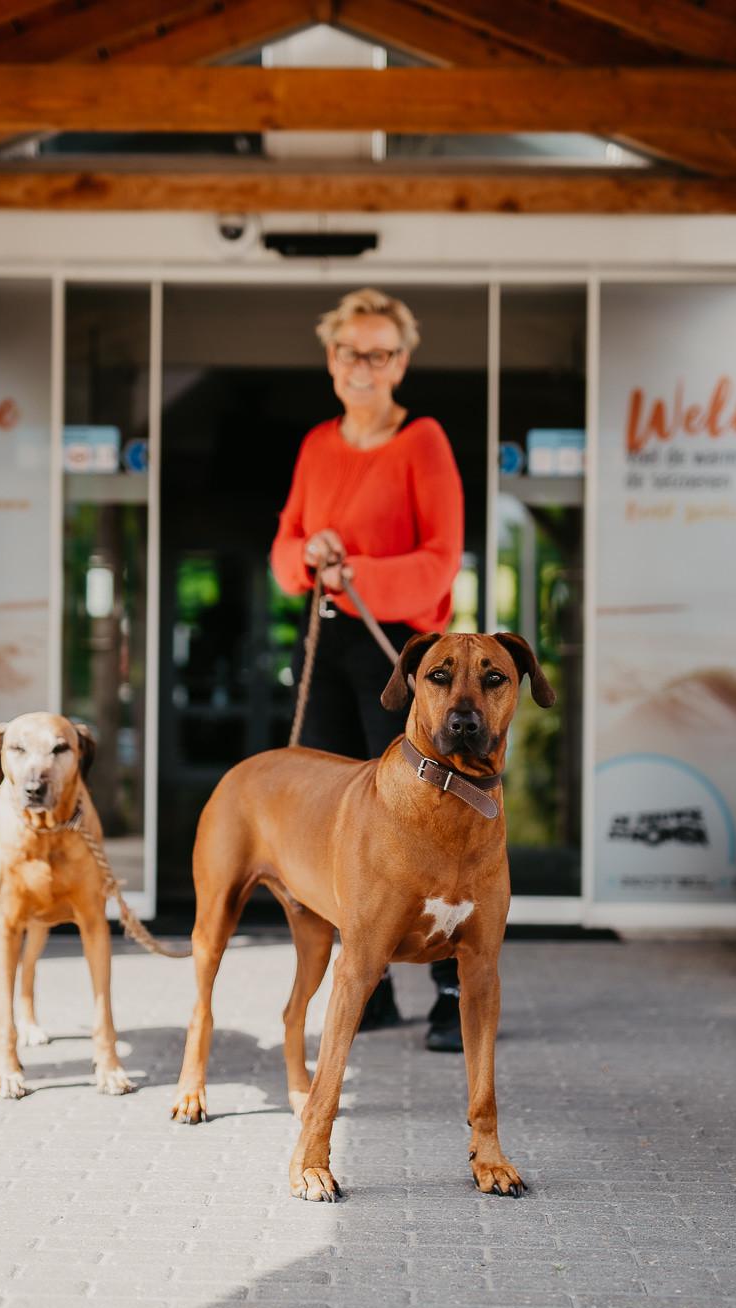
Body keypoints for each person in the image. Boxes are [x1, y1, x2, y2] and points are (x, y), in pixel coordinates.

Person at [270, 287, 465, 1051]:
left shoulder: (423, 441)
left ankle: (450, 988)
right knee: (327, 810)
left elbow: (440, 563)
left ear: (400, 361)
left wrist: (359, 572)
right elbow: (282, 549)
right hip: (323, 637)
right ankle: (369, 979)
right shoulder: (317, 443)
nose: (363, 365)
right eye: (350, 350)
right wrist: (309, 559)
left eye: (379, 352)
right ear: (331, 357)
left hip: (400, 650)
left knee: (419, 812)